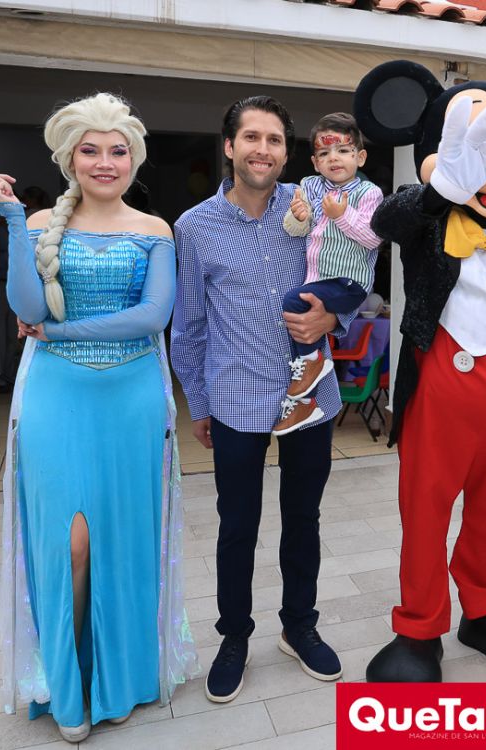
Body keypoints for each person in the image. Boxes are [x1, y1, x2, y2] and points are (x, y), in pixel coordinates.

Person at [0, 92, 198, 743]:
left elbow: (153, 316)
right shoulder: (40, 222)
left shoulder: (155, 230)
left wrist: (59, 330)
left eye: (117, 150)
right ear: (70, 159)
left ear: (134, 159)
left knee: (127, 541)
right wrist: (13, 221)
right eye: (91, 150)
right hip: (55, 398)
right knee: (68, 542)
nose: (105, 162)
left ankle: (121, 680)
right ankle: (68, 686)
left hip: (132, 399)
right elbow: (25, 306)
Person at [353, 61, 486, 683]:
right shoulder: (426, 215)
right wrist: (445, 186)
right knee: (426, 508)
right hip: (441, 383)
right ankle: (419, 625)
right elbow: (385, 221)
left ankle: (485, 607)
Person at [172, 95, 361, 705]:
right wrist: (200, 403)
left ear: (286, 151)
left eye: (274, 139)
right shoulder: (194, 226)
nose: (262, 149)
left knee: (303, 518)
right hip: (235, 394)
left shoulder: (315, 206)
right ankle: (234, 637)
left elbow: (357, 274)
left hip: (308, 390)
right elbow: (189, 323)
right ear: (230, 146)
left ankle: (298, 626)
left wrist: (334, 318)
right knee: (237, 525)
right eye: (251, 137)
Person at [275, 112, 382, 434]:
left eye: (344, 150)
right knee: (299, 320)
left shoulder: (368, 193)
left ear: (360, 157)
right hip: (319, 280)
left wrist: (341, 215)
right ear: (315, 162)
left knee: (293, 301)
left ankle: (312, 363)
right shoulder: (309, 186)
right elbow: (295, 230)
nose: (334, 158)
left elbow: (372, 238)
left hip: (349, 282)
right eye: (324, 153)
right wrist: (297, 216)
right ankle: (306, 395)